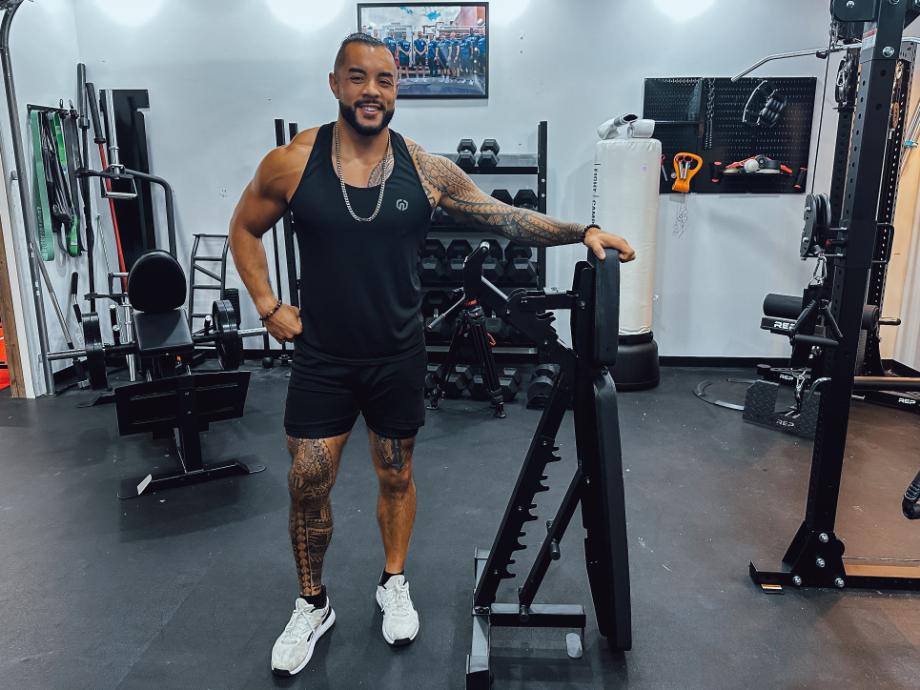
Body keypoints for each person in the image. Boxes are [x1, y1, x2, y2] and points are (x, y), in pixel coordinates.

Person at [228, 32, 635, 678]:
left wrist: (581, 231)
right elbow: (244, 228)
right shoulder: (293, 162)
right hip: (322, 357)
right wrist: (268, 305)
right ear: (335, 84)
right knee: (308, 480)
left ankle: (393, 581)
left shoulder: (424, 169)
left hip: (397, 354)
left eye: (385, 81)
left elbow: (503, 218)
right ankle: (313, 603)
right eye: (358, 78)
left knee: (396, 475)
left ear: (397, 91)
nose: (371, 91)